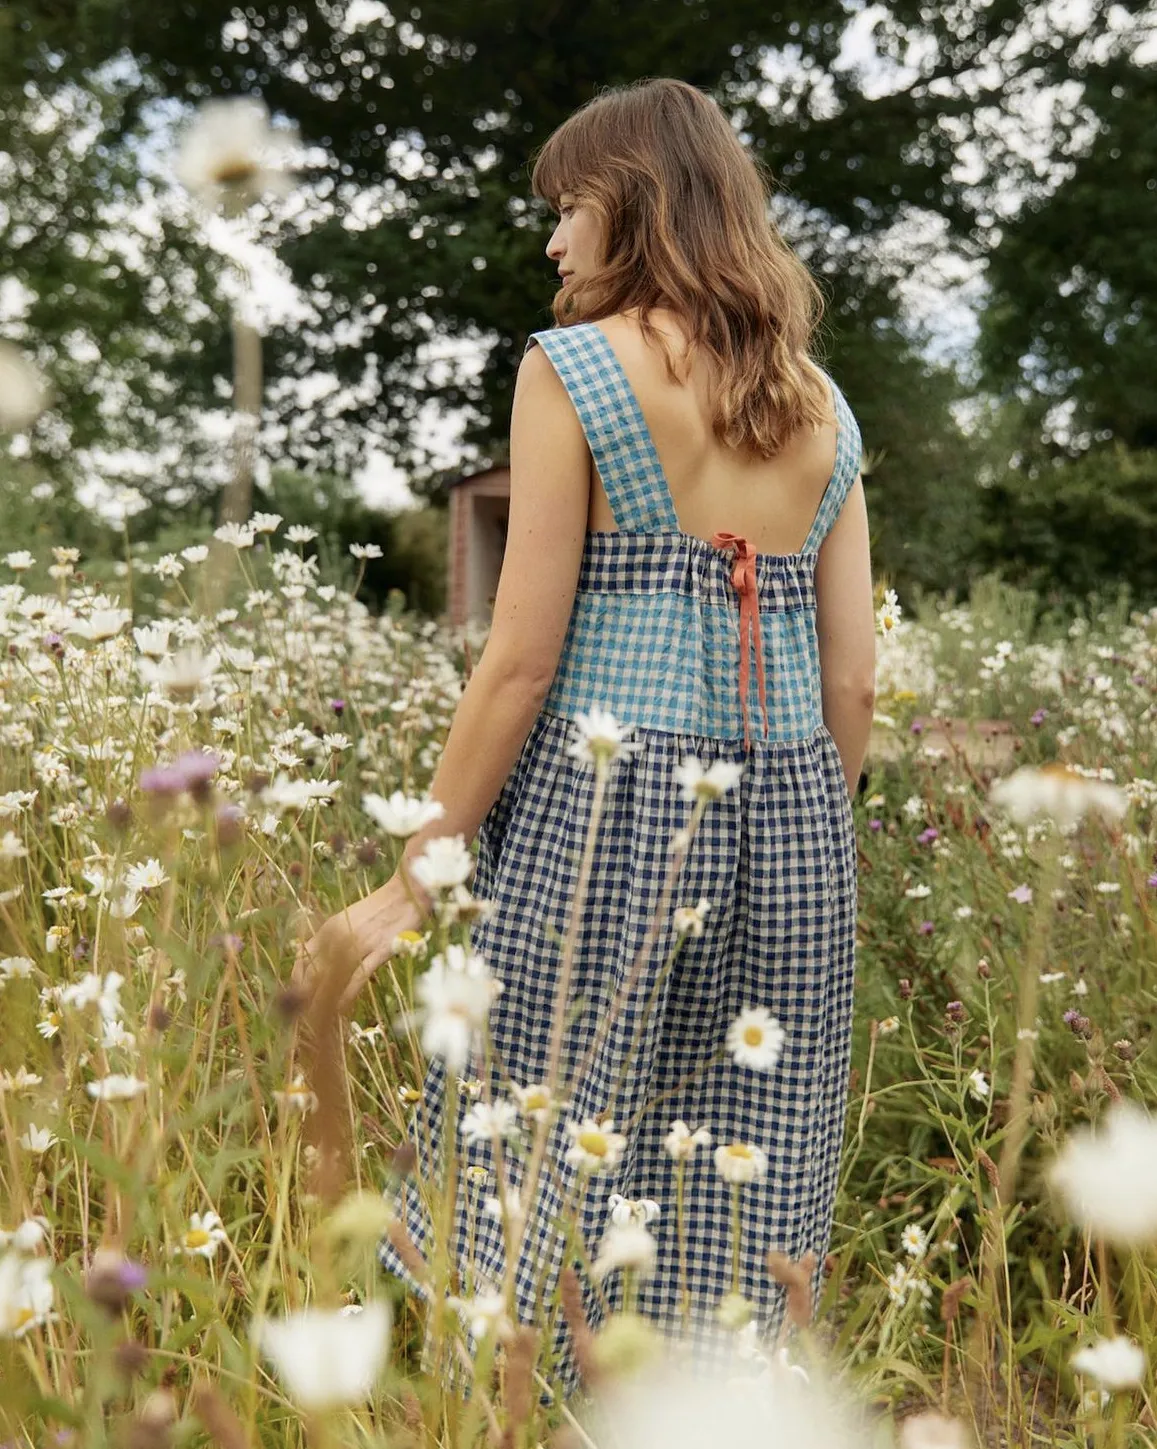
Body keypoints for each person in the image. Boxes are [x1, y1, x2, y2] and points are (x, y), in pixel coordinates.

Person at [297, 77, 875, 1404]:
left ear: (645, 202)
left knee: (539, 1134)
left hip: (603, 802)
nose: (555, 240)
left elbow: (520, 658)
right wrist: (795, 829)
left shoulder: (572, 368)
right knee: (745, 1143)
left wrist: (417, 870)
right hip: (793, 814)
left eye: (573, 207)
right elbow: (851, 680)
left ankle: (515, 1413)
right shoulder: (825, 408)